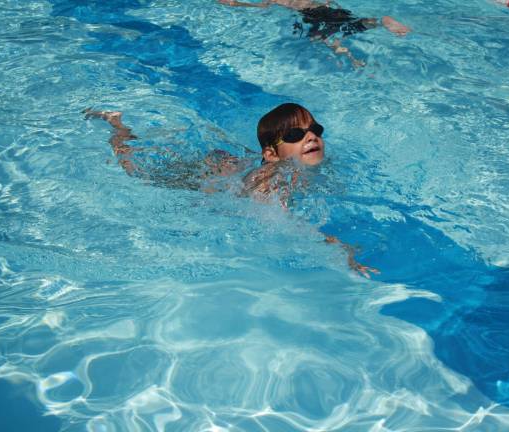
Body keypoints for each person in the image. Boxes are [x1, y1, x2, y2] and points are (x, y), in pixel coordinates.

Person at [84, 104, 378, 277]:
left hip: (235, 164)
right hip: (206, 180)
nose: (310, 136)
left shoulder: (301, 167)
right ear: (272, 155)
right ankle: (117, 129)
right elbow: (283, 222)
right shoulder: (273, 181)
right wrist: (337, 249)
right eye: (295, 134)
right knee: (139, 170)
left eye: (315, 129)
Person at [217, 0, 410, 66]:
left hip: (313, 15)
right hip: (326, 9)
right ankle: (379, 22)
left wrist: (236, 4)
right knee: (353, 24)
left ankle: (352, 59)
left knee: (321, 38)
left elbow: (260, 8)